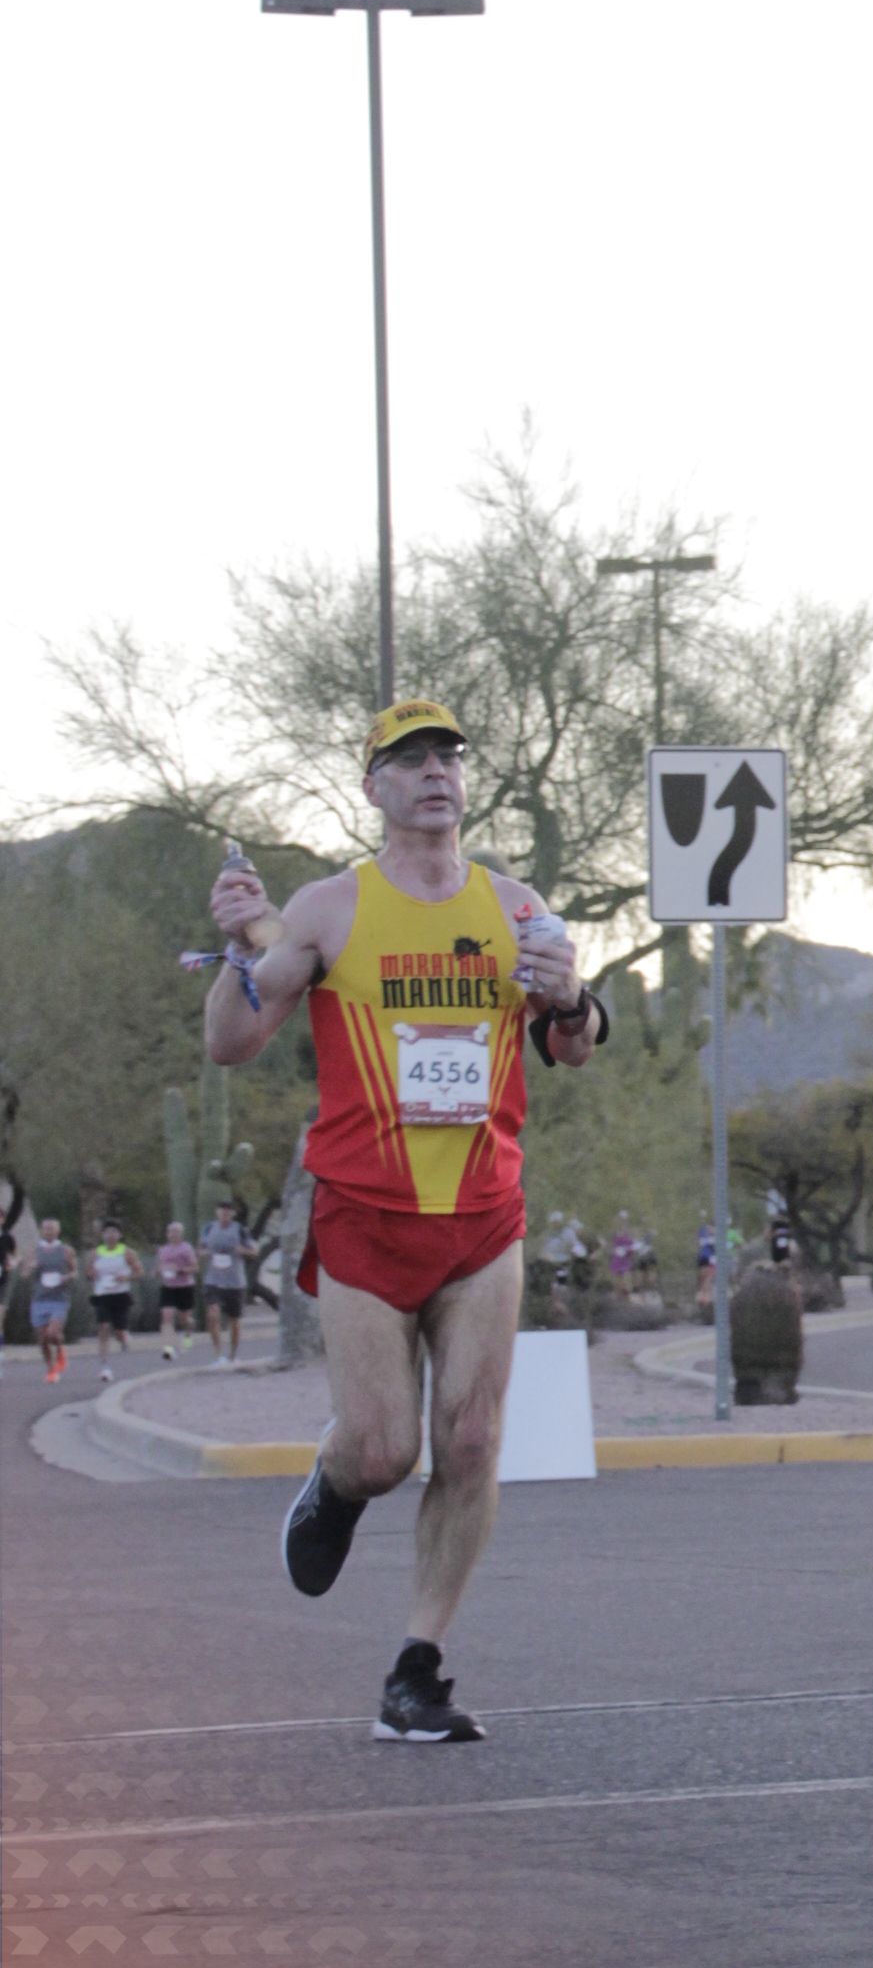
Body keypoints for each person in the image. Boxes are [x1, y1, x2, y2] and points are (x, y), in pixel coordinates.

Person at [204, 700, 606, 1746]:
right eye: (410, 759)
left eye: (447, 758)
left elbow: (573, 1043)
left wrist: (572, 998)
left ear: (464, 783)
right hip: (365, 1217)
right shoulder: (330, 909)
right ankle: (335, 1483)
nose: (434, 773)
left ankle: (416, 1669)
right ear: (373, 786)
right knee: (383, 1452)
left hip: (482, 1217)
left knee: (471, 1439)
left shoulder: (516, 907)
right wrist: (237, 947)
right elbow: (234, 1041)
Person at [200, 1201, 252, 1360]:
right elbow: (200, 1248)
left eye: (228, 1211)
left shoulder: (240, 1230)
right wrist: (203, 1253)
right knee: (212, 1313)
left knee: (234, 1320)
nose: (225, 1213)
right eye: (222, 1210)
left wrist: (243, 1250)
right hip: (213, 1279)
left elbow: (253, 1250)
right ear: (217, 1212)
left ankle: (233, 1356)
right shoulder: (209, 1228)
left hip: (235, 1281)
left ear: (233, 1214)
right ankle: (218, 1354)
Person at [28, 1220, 78, 1382]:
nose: (49, 1232)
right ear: (41, 1231)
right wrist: (31, 1268)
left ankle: (60, 1350)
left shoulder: (65, 1250)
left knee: (53, 1333)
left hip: (59, 1298)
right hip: (39, 1299)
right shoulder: (34, 1251)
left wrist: (67, 1277)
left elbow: (75, 1271)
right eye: (46, 1229)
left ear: (58, 1231)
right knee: (42, 1339)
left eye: (52, 1229)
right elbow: (24, 1274)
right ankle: (51, 1368)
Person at [89, 1223, 143, 1369]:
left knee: (119, 1331)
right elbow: (88, 1273)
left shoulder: (126, 1252)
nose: (110, 1235)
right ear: (102, 1235)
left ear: (119, 1235)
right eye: (107, 1232)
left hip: (120, 1295)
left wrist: (125, 1277)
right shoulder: (96, 1253)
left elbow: (139, 1272)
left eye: (114, 1232)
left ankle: (123, 1339)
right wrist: (92, 1274)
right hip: (102, 1294)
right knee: (103, 1327)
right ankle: (104, 1365)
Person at [154, 1220, 200, 1358]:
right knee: (167, 1315)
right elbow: (158, 1268)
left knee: (184, 1319)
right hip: (168, 1287)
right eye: (171, 1232)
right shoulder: (163, 1250)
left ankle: (189, 1333)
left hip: (184, 1286)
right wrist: (158, 1271)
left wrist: (179, 1270)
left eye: (176, 1232)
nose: (173, 1234)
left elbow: (195, 1268)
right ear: (167, 1234)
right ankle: (168, 1348)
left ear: (181, 1234)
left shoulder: (186, 1248)